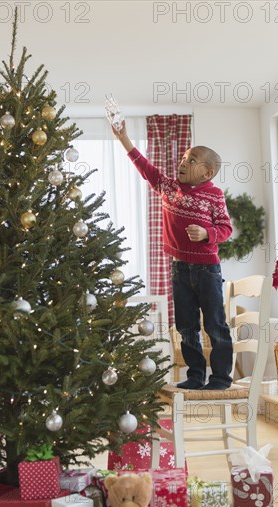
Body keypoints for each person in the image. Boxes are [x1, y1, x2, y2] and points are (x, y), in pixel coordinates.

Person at [111, 121, 233, 390]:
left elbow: (226, 228)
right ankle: (195, 375)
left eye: (192, 160)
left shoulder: (213, 194)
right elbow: (145, 168)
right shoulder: (168, 187)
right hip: (180, 270)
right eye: (184, 157)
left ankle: (221, 377)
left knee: (214, 324)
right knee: (186, 325)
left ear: (207, 172)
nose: (184, 162)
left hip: (207, 271)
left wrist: (206, 233)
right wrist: (124, 140)